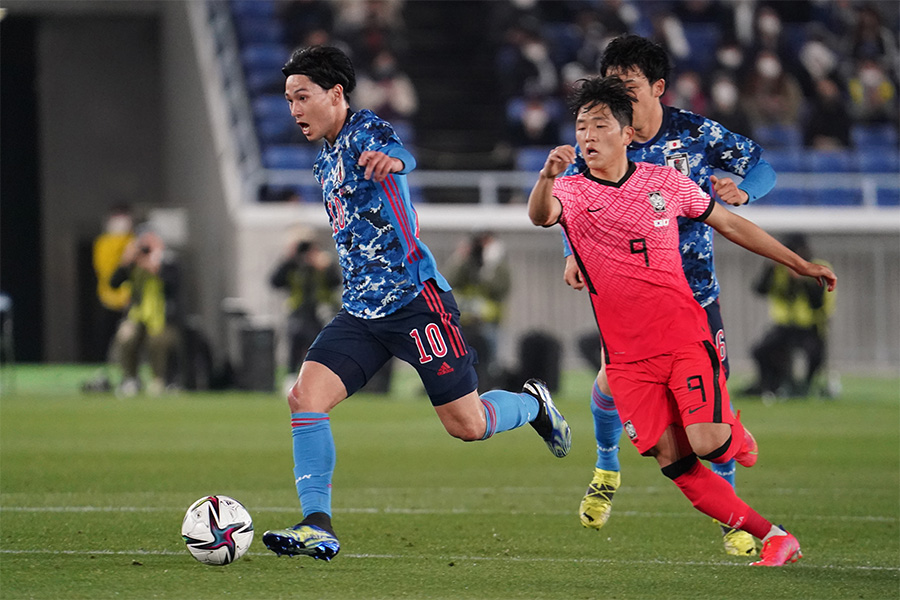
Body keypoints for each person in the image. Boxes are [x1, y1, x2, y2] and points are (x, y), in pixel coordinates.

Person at [262, 45, 571, 562]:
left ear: (335, 94)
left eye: (302, 96)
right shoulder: (325, 160)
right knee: (304, 398)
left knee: (467, 425)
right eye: (288, 99)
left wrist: (393, 161)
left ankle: (533, 405)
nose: (293, 109)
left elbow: (401, 154)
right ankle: (317, 523)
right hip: (361, 311)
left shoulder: (366, 131)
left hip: (415, 301)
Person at [528, 75, 836, 566]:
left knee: (710, 444)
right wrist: (544, 179)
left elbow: (730, 223)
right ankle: (777, 536)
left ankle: (734, 430)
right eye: (581, 125)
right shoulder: (568, 190)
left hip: (682, 338)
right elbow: (542, 216)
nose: (587, 135)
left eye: (600, 124)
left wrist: (798, 263)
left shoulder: (665, 183)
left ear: (627, 134)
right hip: (628, 361)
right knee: (676, 463)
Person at [560, 34, 779, 557]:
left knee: (710, 415)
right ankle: (607, 464)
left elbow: (760, 164)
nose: (619, 97)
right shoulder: (601, 133)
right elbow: (569, 204)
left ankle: (735, 520)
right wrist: (571, 252)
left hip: (695, 295)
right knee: (612, 380)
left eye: (629, 86)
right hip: (631, 301)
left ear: (657, 87)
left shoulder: (695, 133)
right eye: (612, 86)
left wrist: (745, 190)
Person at [745, 233, 836, 398]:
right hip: (784, 325)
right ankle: (769, 385)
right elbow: (760, 289)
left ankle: (806, 387)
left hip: (811, 325)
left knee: (814, 354)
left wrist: (803, 278)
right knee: (761, 351)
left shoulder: (818, 266)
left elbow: (817, 303)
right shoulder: (779, 268)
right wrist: (769, 268)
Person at [109, 227, 182, 397]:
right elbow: (114, 283)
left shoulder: (168, 260)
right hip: (137, 315)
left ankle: (159, 379)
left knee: (158, 340)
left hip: (162, 318)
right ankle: (130, 379)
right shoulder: (134, 264)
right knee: (126, 336)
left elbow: (174, 284)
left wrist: (153, 264)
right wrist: (126, 262)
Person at [444, 230, 511, 389]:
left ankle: (488, 388)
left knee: (489, 361)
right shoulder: (466, 263)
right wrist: (461, 258)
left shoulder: (498, 265)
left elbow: (501, 288)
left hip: (489, 321)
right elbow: (450, 281)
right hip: (466, 321)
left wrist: (488, 267)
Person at [269, 234, 341, 375]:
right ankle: (292, 376)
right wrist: (289, 260)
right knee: (294, 345)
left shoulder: (323, 265)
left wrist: (325, 267)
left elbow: (336, 282)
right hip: (297, 311)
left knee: (319, 347)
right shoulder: (292, 265)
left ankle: (318, 376)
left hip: (321, 312)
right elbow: (275, 282)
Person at [82, 204, 135, 392]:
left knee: (129, 341)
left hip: (129, 301)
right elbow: (107, 271)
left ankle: (130, 376)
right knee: (105, 339)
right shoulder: (103, 243)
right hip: (107, 299)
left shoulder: (133, 241)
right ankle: (101, 374)